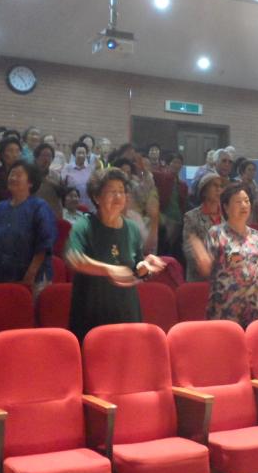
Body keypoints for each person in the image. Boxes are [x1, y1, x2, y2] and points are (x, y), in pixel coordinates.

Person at [66, 167, 165, 342]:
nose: (118, 196)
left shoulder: (131, 228)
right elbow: (74, 258)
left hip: (127, 312)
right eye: (112, 191)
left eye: (121, 191)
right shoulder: (84, 225)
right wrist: (109, 269)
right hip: (92, 314)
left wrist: (144, 266)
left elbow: (136, 267)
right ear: (97, 197)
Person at [187, 182, 258, 328]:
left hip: (255, 308)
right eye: (238, 202)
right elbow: (207, 271)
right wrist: (203, 261)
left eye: (247, 201)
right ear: (226, 207)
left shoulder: (256, 236)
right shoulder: (216, 233)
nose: (244, 205)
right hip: (225, 310)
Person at [0, 162, 57, 293]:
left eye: (18, 175)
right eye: (11, 174)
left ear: (30, 183)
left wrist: (29, 277)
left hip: (33, 280)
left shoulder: (39, 207)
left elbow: (44, 246)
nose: (13, 178)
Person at [182, 173, 225, 282]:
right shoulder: (191, 217)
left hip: (224, 278)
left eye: (220, 186)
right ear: (204, 191)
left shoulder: (227, 217)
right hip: (199, 278)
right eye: (215, 185)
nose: (218, 189)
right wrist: (206, 263)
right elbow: (189, 248)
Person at [153, 151, 188, 258]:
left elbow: (183, 204)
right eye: (174, 162)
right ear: (168, 164)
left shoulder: (183, 185)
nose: (177, 165)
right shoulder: (160, 177)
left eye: (179, 162)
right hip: (163, 220)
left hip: (178, 220)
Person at [33, 143, 65, 220]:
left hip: (53, 216)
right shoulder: (29, 174)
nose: (46, 159)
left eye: (49, 156)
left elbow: (63, 194)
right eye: (43, 155)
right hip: (34, 216)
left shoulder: (56, 176)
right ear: (36, 157)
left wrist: (52, 184)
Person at [61, 141, 94, 209]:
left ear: (86, 154)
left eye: (83, 153)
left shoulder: (90, 169)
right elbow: (62, 185)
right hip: (72, 206)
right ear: (74, 154)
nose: (81, 155)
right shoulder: (67, 168)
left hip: (88, 206)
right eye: (79, 153)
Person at [236, 159, 258, 223]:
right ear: (243, 171)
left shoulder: (256, 184)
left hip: (254, 214)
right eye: (249, 170)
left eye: (254, 170)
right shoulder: (237, 184)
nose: (252, 172)